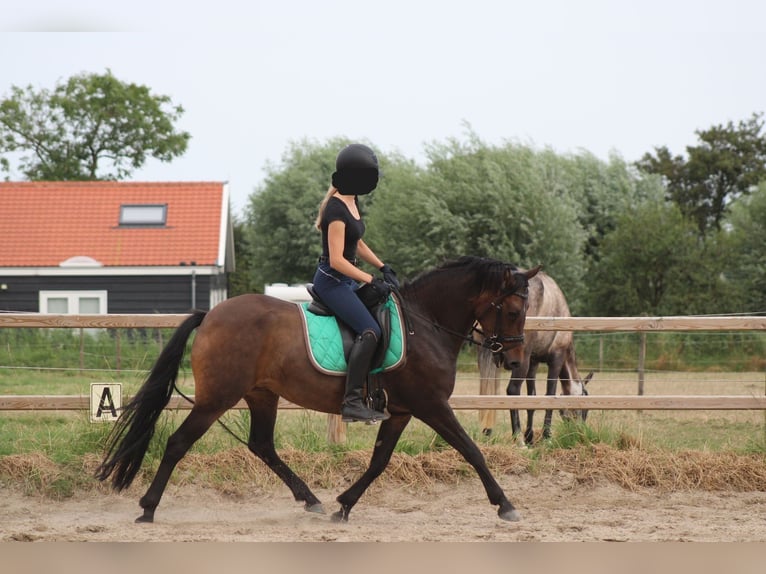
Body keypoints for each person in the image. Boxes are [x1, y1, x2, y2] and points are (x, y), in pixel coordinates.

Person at [312, 143, 399, 423]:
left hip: (347, 281)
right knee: (370, 330)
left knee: (382, 309)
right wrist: (371, 279)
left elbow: (357, 242)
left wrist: (383, 266)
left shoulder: (352, 200)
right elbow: (337, 260)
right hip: (332, 282)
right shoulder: (335, 209)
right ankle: (351, 402)